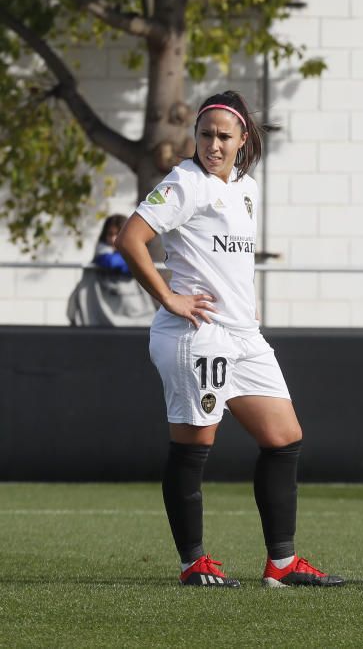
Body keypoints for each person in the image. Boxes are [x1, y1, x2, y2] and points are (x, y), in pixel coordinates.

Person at [116, 90, 344, 588]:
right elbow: (129, 240)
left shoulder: (247, 187)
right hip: (197, 335)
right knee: (196, 445)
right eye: (205, 134)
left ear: (243, 139)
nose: (213, 144)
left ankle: (281, 564)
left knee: (284, 439)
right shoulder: (185, 183)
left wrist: (246, 301)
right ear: (195, 137)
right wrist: (167, 298)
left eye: (223, 136)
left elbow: (228, 258)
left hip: (244, 335)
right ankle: (192, 563)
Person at [66, 214, 156, 326]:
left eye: (118, 234)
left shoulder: (138, 250)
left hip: (133, 308)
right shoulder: (102, 251)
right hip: (103, 308)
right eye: (110, 234)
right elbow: (111, 262)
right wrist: (128, 263)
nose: (113, 239)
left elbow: (138, 265)